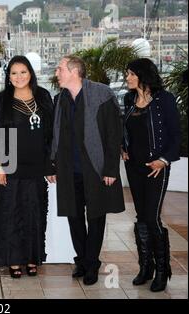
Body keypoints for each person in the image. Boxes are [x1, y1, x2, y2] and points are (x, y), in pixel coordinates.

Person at [50, 55, 125, 285]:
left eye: (60, 69)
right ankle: (81, 260)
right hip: (68, 170)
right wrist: (52, 163)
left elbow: (114, 135)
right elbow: (56, 137)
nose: (56, 73)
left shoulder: (102, 95)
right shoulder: (60, 99)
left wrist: (111, 169)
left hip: (96, 169)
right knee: (73, 218)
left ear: (74, 71)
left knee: (95, 217)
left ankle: (92, 263)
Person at [0, 55, 55, 279]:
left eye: (23, 72)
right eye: (14, 73)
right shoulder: (1, 101)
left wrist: (49, 166)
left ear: (31, 73)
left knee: (34, 214)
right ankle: (14, 260)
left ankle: (31, 258)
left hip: (37, 168)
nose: (19, 77)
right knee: (11, 214)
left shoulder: (44, 96)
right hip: (10, 168)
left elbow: (51, 136)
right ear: (8, 77)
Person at [122, 58, 181, 292]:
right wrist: (122, 147)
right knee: (141, 217)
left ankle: (161, 270)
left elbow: (176, 135)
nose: (127, 78)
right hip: (133, 168)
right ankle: (145, 267)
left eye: (130, 74)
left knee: (152, 217)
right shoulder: (129, 99)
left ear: (142, 75)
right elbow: (125, 129)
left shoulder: (164, 100)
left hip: (156, 168)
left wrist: (163, 160)